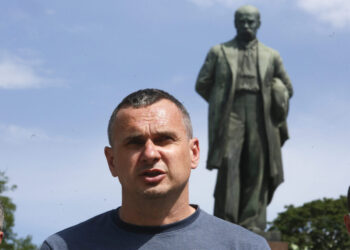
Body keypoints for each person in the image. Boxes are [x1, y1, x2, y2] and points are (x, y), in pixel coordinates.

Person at [40, 89, 269, 249]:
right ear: (112, 161)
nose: (150, 154)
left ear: (194, 153)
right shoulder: (64, 246)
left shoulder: (245, 247)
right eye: (134, 142)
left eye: (164, 139)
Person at [195, 5, 293, 234]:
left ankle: (252, 223)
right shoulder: (219, 51)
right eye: (242, 22)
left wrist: (278, 90)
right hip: (232, 111)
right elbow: (202, 83)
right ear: (235, 24)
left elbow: (287, 86)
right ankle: (226, 222)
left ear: (258, 23)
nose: (247, 26)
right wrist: (219, 100)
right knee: (230, 162)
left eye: (251, 22)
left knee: (256, 166)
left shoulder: (272, 55)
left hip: (262, 112)